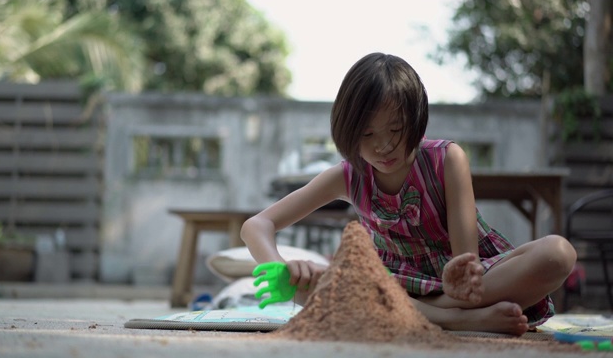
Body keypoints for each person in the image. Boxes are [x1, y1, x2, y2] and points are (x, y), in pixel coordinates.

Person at [240, 52, 576, 336]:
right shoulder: (347, 176)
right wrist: (282, 270)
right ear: (349, 133)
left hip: (461, 284)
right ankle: (454, 322)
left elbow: (465, 270)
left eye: (396, 129)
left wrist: (461, 282)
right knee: (314, 283)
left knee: (557, 254)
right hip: (392, 283)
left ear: (417, 119)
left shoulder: (447, 159)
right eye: (367, 133)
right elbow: (256, 225)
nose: (383, 145)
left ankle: (419, 315)